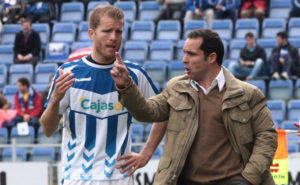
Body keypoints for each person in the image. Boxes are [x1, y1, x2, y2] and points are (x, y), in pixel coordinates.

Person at [111, 29, 277, 185]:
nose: (184, 59)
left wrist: (248, 178)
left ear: (211, 57)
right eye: (184, 53)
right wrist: (127, 87)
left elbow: (267, 137)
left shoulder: (248, 94)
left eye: (191, 54)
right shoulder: (176, 87)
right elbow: (147, 112)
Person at [40, 5, 167, 185]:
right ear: (92, 33)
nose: (113, 37)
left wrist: (147, 153)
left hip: (119, 178)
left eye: (118, 31)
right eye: (107, 31)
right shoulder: (68, 73)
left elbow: (163, 114)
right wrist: (54, 101)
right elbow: (47, 130)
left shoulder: (134, 74)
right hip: (77, 178)